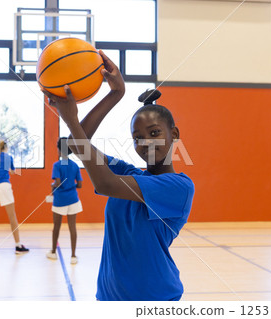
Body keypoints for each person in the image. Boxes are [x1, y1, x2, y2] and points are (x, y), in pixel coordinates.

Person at [42, 51, 194, 301]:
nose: (145, 142)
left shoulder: (178, 187)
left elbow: (104, 183)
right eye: (137, 138)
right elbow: (79, 146)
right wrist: (115, 95)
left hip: (155, 300)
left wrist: (71, 119)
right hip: (108, 298)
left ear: (174, 133)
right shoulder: (128, 172)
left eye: (154, 132)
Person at [0, 140, 29, 254]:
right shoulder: (9, 157)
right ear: (6, 148)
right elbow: (13, 172)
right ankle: (18, 246)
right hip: (4, 185)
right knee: (12, 216)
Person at [47, 137, 83, 264]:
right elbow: (79, 185)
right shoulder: (75, 165)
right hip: (73, 199)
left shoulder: (57, 165)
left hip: (60, 200)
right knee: (72, 227)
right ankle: (73, 256)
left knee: (56, 227)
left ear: (59, 150)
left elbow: (57, 182)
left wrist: (52, 186)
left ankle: (53, 252)